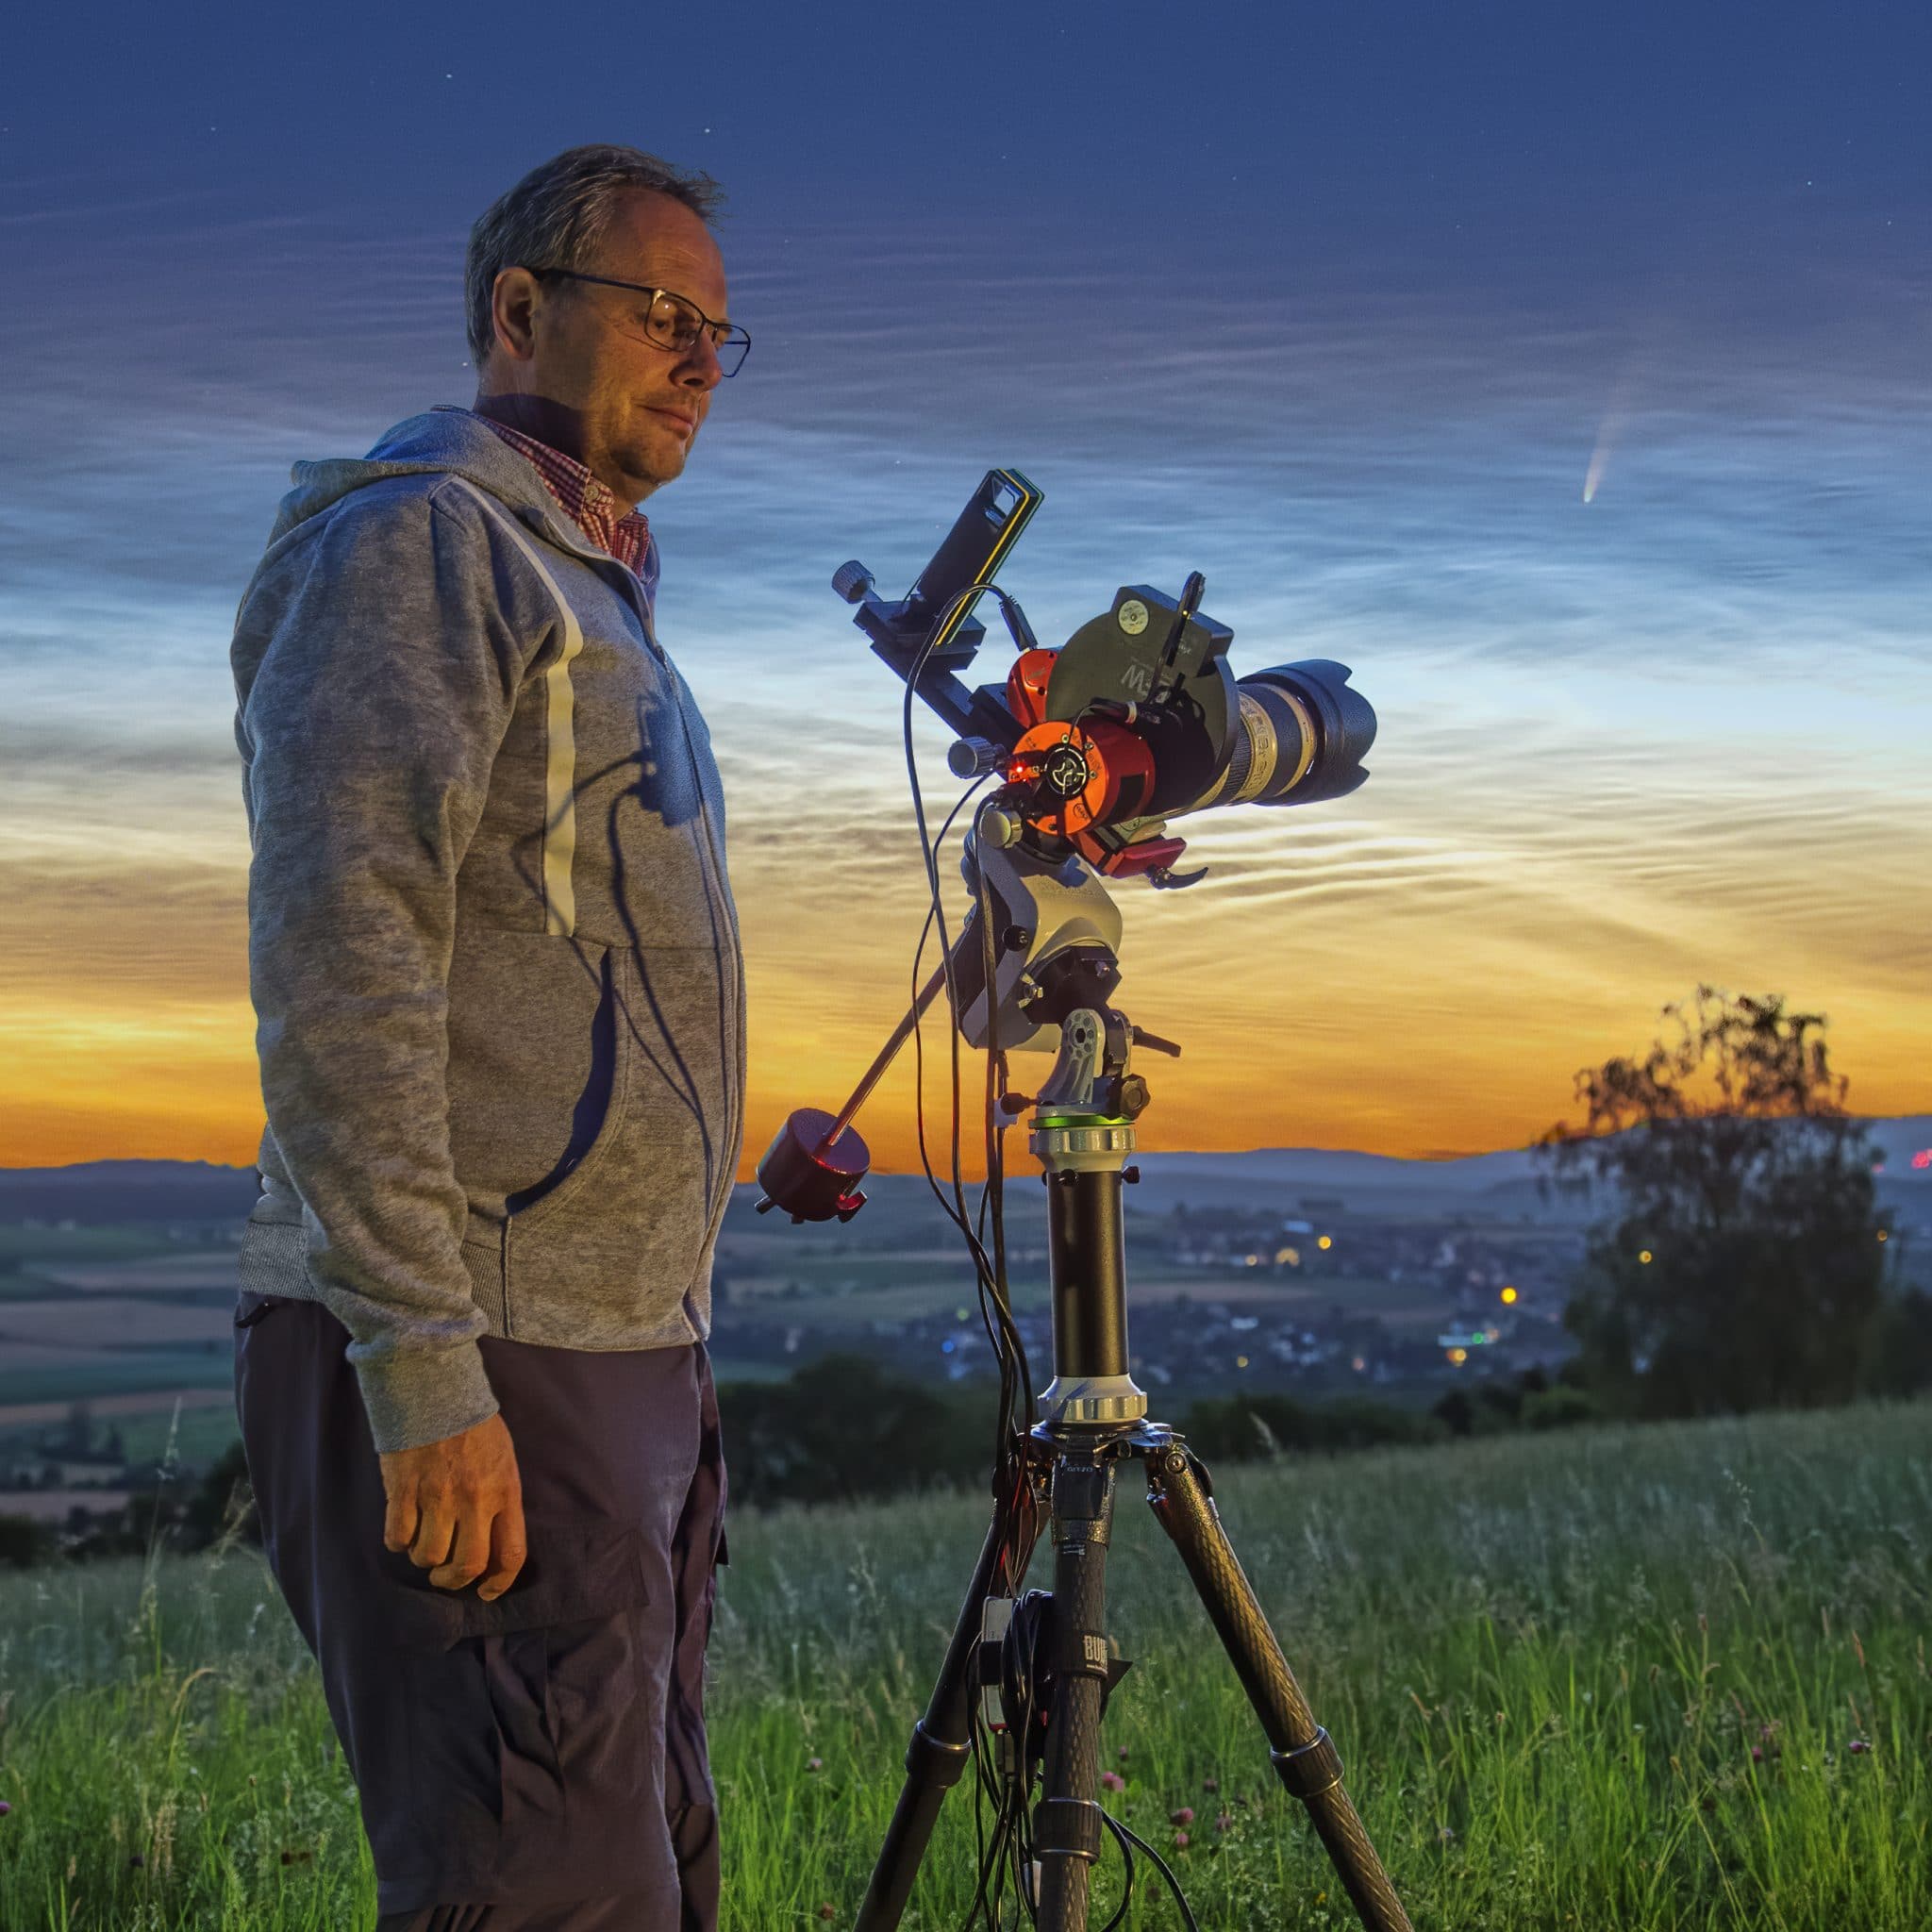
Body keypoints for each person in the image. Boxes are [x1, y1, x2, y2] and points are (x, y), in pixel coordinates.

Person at [227, 143, 749, 1931]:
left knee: (631, 1873)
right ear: (520, 311)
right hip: (483, 1345)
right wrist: (424, 1365)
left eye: (720, 333)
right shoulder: (418, 545)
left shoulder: (594, 591)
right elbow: (340, 948)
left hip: (610, 1341)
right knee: (535, 1895)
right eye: (660, 312)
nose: (696, 355)